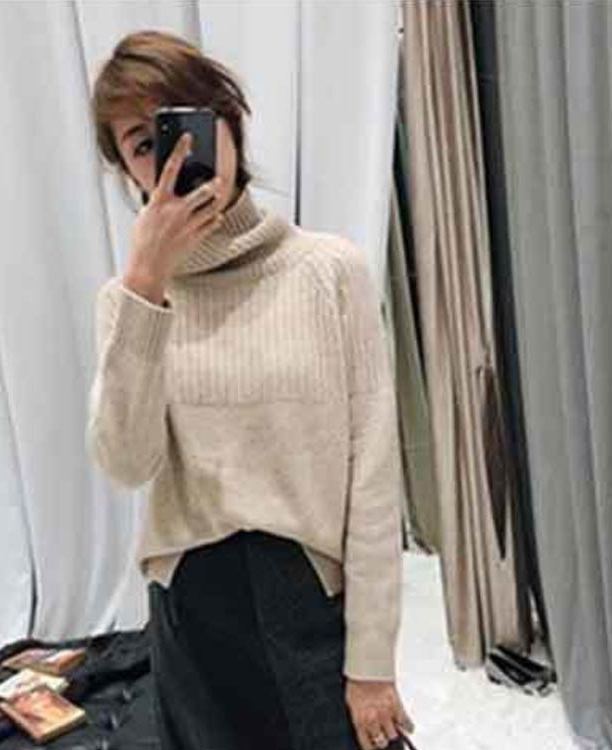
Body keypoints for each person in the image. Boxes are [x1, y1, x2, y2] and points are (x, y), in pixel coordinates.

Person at [87, 28, 416, 750]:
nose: (173, 157)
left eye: (185, 125)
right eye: (144, 144)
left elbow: (372, 475)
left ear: (228, 122)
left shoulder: (328, 271)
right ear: (127, 170)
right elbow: (126, 462)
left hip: (307, 600)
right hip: (193, 614)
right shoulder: (131, 302)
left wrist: (371, 665)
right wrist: (146, 288)